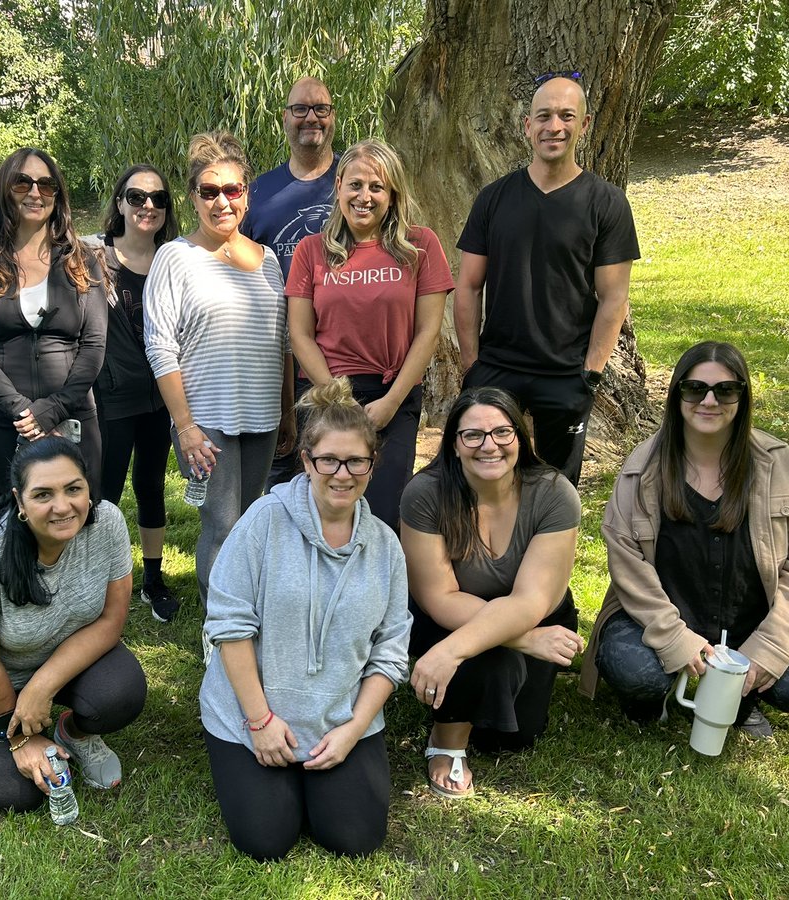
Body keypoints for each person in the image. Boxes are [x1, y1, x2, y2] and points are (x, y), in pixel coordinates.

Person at [579, 341, 789, 735]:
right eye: (695, 389)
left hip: (753, 619)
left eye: (725, 390)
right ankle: (653, 694)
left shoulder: (780, 464)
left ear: (742, 397)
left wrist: (767, 650)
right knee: (635, 671)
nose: (709, 401)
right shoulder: (642, 468)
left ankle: (743, 697)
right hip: (662, 614)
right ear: (677, 394)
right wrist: (675, 637)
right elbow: (627, 563)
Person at [200, 378, 411, 860]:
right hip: (252, 716)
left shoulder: (385, 547)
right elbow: (229, 625)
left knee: (354, 838)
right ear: (307, 462)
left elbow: (391, 651)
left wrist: (355, 729)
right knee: (266, 840)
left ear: (372, 466)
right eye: (328, 461)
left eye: (356, 461)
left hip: (339, 719)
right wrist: (260, 721)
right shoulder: (263, 521)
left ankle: (318, 774)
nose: (342, 473)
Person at [0, 437, 147, 811]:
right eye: (43, 494)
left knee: (120, 694)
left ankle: (72, 733)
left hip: (57, 652)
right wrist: (19, 740)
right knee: (17, 793)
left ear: (88, 490)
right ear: (20, 502)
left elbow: (112, 622)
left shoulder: (107, 523)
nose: (62, 506)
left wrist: (40, 689)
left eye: (74, 489)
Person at [453, 73, 640, 486]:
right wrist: (472, 365)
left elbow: (614, 298)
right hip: (497, 368)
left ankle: (551, 553)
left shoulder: (606, 204)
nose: (553, 126)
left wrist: (590, 373)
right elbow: (467, 286)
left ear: (584, 125)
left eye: (565, 116)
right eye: (543, 116)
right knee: (483, 483)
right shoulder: (493, 199)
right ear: (527, 126)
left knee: (557, 490)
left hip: (566, 374)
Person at [402, 387, 583, 798]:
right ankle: (447, 740)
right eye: (473, 435)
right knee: (488, 663)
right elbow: (440, 597)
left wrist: (450, 653)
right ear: (454, 443)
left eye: (503, 432)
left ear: (521, 437)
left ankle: (463, 675)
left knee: (513, 736)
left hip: (538, 615)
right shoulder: (425, 494)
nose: (490, 446)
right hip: (450, 616)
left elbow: (531, 602)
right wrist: (526, 640)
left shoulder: (554, 494)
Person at [144, 131, 291, 612]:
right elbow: (160, 347)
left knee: (251, 521)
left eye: (232, 189)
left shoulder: (268, 261)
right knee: (222, 524)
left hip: (263, 416)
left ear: (247, 194)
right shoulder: (176, 257)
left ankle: (245, 612)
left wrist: (287, 414)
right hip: (205, 421)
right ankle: (219, 625)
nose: (222, 201)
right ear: (193, 198)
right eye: (210, 191)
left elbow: (282, 344)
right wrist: (185, 428)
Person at [288, 138, 453, 530]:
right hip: (326, 393)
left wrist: (392, 403)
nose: (365, 196)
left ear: (393, 194)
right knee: (329, 505)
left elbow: (428, 333)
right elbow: (300, 334)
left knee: (383, 510)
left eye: (377, 187)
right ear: (339, 185)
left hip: (392, 395)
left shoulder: (420, 245)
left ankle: (382, 590)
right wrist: (335, 397)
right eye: (356, 185)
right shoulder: (311, 251)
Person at [0, 147, 108, 506]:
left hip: (74, 416)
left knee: (79, 518)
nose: (35, 192)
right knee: (14, 522)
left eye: (47, 184)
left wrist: (52, 410)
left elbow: (94, 344)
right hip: (4, 422)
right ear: (6, 191)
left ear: (58, 195)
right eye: (22, 182)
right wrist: (24, 412)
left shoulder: (82, 260)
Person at [87, 165, 181, 624]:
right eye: (138, 196)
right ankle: (97, 582)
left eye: (159, 199)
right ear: (120, 201)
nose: (148, 205)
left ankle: (153, 578)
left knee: (149, 485)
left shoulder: (174, 258)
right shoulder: (90, 257)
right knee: (102, 492)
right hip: (109, 397)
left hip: (160, 397)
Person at [243, 76, 340, 489]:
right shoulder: (258, 192)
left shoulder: (356, 183)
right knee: (279, 472)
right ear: (285, 118)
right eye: (300, 109)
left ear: (333, 117)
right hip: (275, 354)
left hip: (342, 350)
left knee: (337, 464)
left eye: (320, 108)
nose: (310, 118)